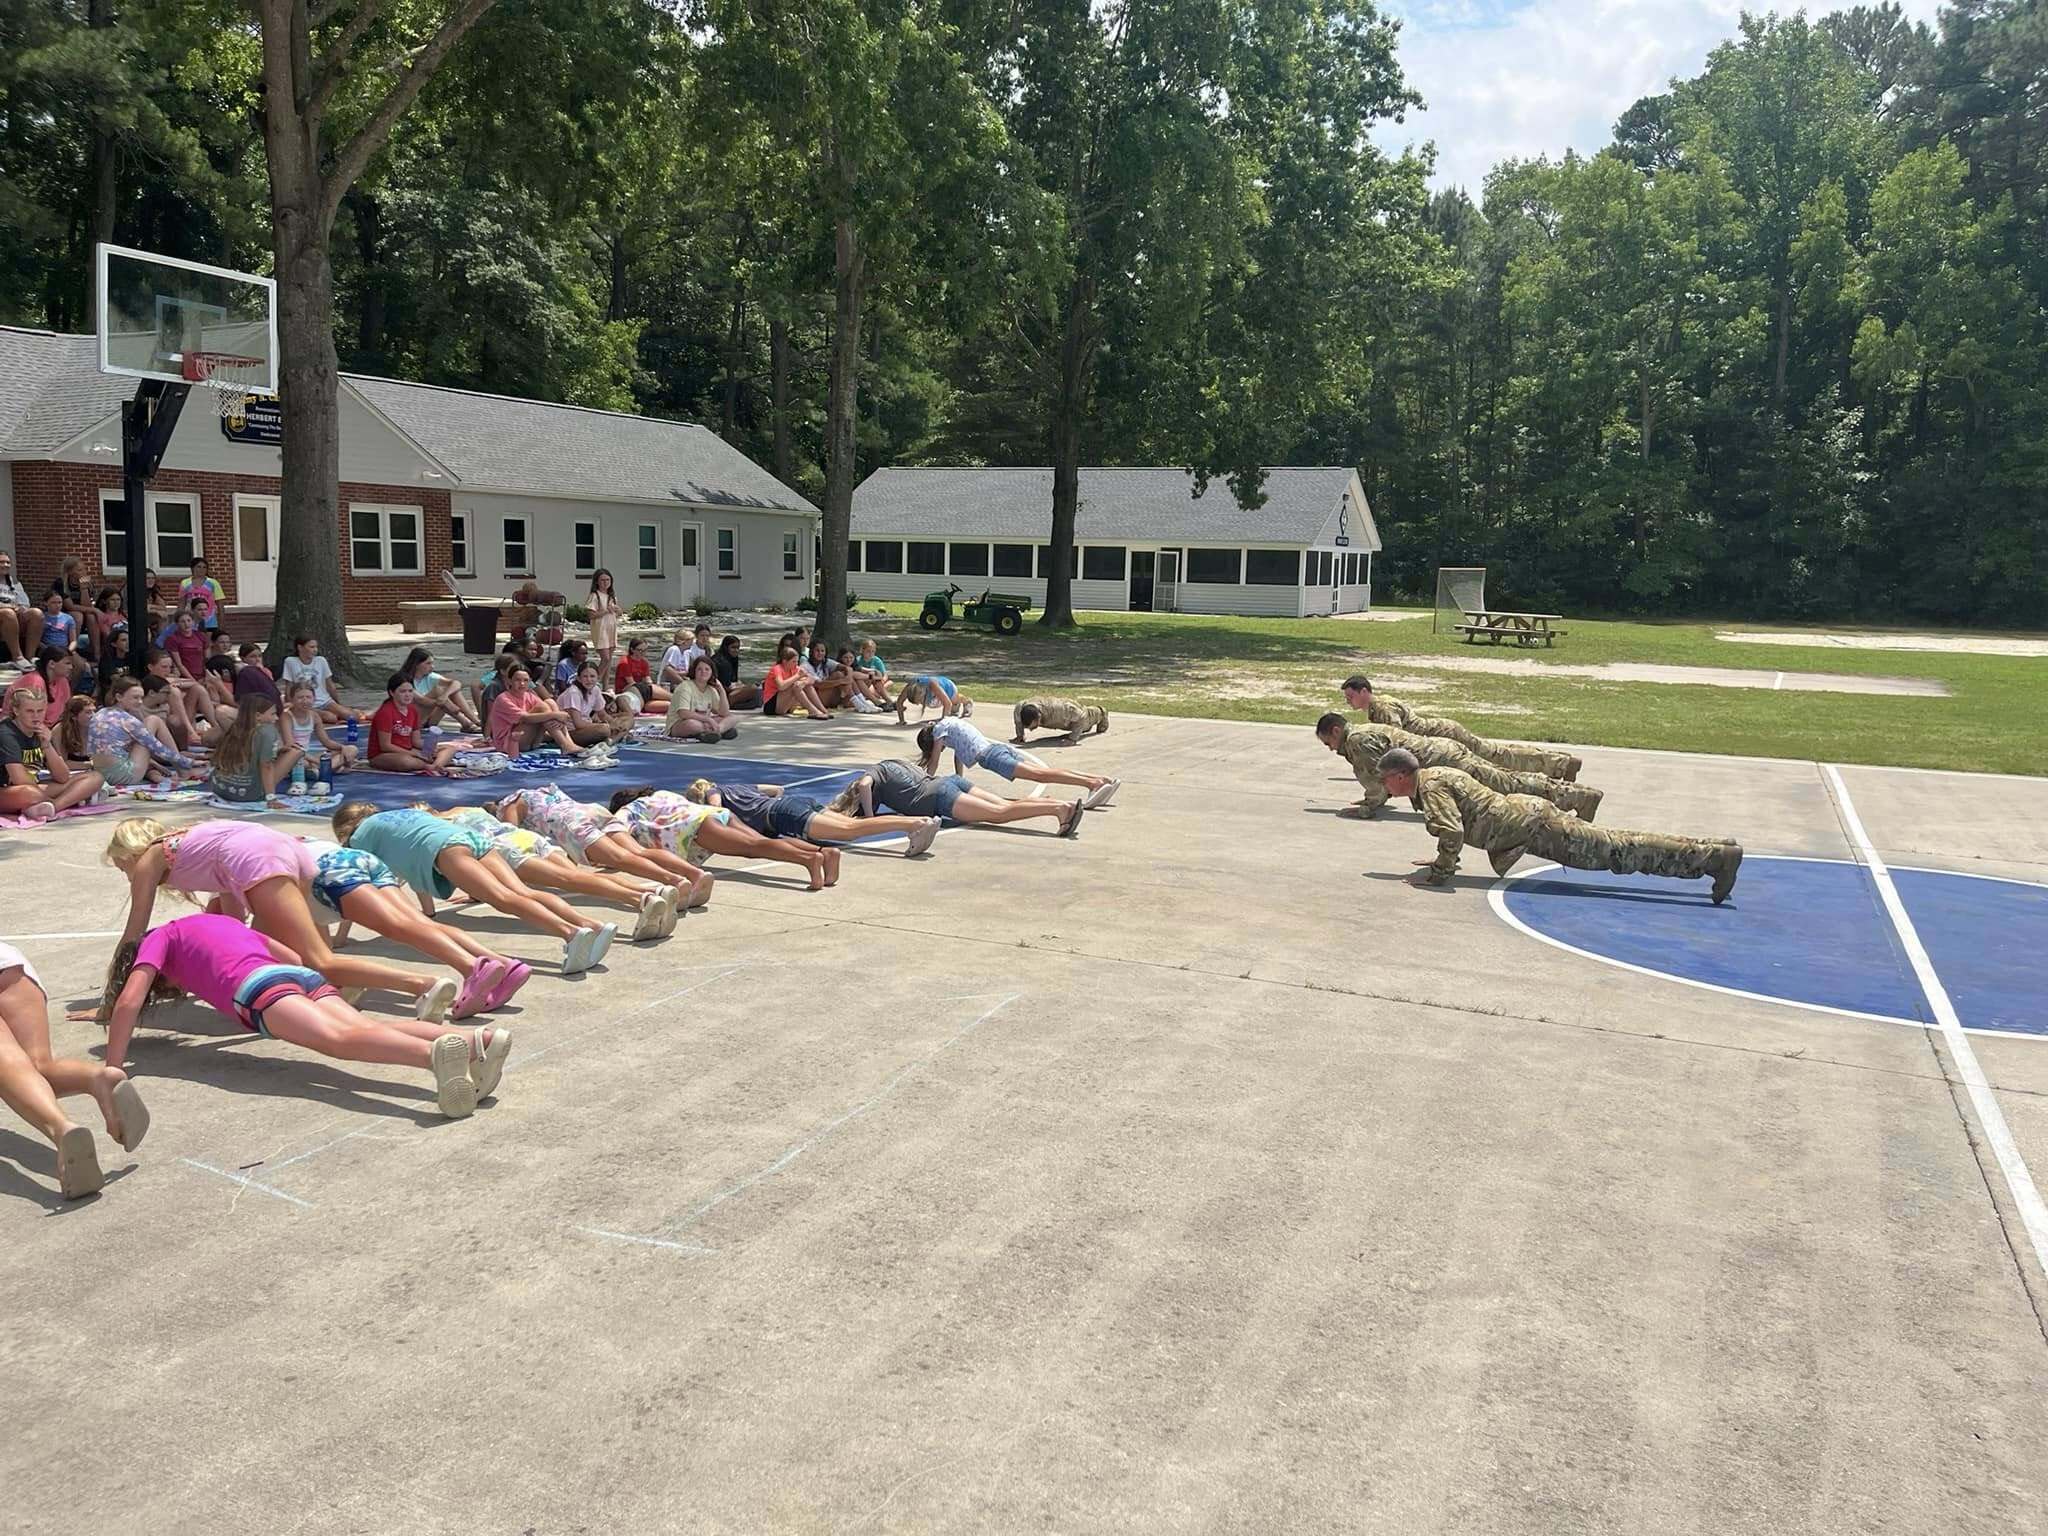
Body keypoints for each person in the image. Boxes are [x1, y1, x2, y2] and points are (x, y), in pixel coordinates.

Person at [99, 915, 498, 1120]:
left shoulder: (158, 938)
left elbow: (130, 1001)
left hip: (256, 988)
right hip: (298, 976)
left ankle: (432, 1058)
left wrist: (114, 1065)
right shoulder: (218, 922)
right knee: (365, 1029)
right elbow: (289, 956)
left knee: (338, 1042)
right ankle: (476, 1043)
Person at [106, 817, 460, 1018]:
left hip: (259, 861)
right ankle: (340, 986)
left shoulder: (151, 860)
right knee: (277, 955)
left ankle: (423, 985)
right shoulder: (187, 841)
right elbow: (233, 914)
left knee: (318, 959)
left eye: (122, 864)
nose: (125, 873)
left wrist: (114, 1001)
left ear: (130, 852)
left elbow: (134, 935)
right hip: (286, 850)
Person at [1374, 747, 1743, 902]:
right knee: (1617, 844)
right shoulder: (1433, 777)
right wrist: (1441, 859)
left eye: (1387, 780)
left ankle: (1712, 858)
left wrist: (1440, 873)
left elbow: (1452, 831)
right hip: (1529, 821)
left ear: (1403, 775)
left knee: (1618, 850)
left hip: (1535, 828)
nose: (1385, 787)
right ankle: (1712, 849)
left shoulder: (1431, 786)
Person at [332, 801, 617, 974]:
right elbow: (411, 861)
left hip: (445, 849)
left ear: (345, 829)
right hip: (470, 838)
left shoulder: (359, 839)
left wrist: (340, 938)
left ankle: (569, 933)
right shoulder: (393, 817)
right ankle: (590, 925)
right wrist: (428, 913)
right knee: (521, 892)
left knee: (501, 899)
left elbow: (357, 886)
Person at [305, 838, 530, 1017]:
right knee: (418, 924)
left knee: (396, 926)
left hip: (328, 870)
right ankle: (504, 964)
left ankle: (472, 968)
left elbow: (312, 943)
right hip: (356, 860)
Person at [1, 941, 148, 1199]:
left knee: (9, 1067)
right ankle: (96, 1078)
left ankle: (61, 1128)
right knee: (37, 1070)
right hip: (9, 963)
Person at [427, 805, 678, 941]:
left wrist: (476, 892)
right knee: (580, 876)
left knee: (566, 882)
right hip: (524, 837)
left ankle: (640, 899)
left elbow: (467, 860)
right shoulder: (466, 808)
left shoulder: (436, 827)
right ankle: (650, 890)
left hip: (505, 849)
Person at [1314, 713, 1601, 821]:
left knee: (1507, 785)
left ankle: (1578, 796)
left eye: (1328, 741)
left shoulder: (1358, 743)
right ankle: (1572, 790)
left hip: (1446, 761)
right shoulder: (1362, 732)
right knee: (1506, 779)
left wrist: (1365, 809)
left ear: (1336, 730)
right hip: (1446, 753)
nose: (1330, 748)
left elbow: (1376, 784)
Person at [494, 784, 713, 910]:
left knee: (619, 858)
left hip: (570, 823)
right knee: (637, 851)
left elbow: (511, 837)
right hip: (590, 811)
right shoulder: (538, 793)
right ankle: (694, 873)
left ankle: (674, 880)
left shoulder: (507, 805)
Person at [1342, 675, 1580, 782]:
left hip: (1443, 737)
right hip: (1443, 734)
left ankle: (1560, 764)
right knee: (1496, 754)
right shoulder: (1379, 705)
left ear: (1365, 691)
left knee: (1496, 758)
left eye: (1351, 696)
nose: (1349, 702)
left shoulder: (1381, 709)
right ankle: (1560, 763)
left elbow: (1396, 744)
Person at [607, 785, 833, 889]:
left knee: (755, 848)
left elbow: (615, 828)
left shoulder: (630, 812)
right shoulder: (661, 795)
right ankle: (822, 852)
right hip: (715, 814)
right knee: (761, 842)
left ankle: (808, 860)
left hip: (696, 829)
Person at [686, 777, 939, 857]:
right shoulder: (737, 788)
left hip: (783, 816)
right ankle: (918, 821)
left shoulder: (714, 793)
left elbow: (717, 811)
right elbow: (777, 789)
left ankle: (914, 824)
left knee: (850, 830)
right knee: (853, 824)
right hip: (791, 803)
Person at [837, 760, 1082, 838]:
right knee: (1005, 806)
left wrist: (868, 818)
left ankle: (1059, 809)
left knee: (998, 815)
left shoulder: (872, 774)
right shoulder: (893, 764)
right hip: (949, 782)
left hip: (940, 797)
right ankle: (1057, 805)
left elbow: (864, 785)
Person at [919, 717, 1119, 806]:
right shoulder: (949, 724)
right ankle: (1101, 780)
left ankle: (1092, 784)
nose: (941, 747)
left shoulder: (938, 732)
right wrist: (959, 781)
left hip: (993, 757)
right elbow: (958, 754)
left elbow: (935, 760)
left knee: (1041, 776)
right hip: (997, 749)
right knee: (1043, 772)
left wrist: (926, 782)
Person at [0, 682, 103, 818]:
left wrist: (47, 745)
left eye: (40, 711)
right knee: (30, 793)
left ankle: (52, 807)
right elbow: (20, 780)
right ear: (16, 710)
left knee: (95, 777)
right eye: (30, 711)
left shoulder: (40, 730)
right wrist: (69, 792)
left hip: (34, 787)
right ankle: (69, 799)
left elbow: (62, 776)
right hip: (11, 790)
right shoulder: (6, 733)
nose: (36, 717)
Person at [88, 677, 202, 786]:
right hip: (123, 775)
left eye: (141, 698)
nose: (140, 702)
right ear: (119, 697)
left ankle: (172, 770)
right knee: (153, 720)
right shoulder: (128, 720)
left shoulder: (101, 712)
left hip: (101, 774)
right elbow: (157, 748)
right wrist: (188, 762)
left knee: (143, 733)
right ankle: (182, 770)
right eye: (135, 698)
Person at [208, 694, 303, 803]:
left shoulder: (235, 728)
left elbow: (249, 755)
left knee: (282, 753)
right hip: (247, 794)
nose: (276, 718)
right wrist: (271, 798)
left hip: (219, 788)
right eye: (272, 714)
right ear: (258, 716)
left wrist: (277, 752)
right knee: (296, 752)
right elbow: (266, 765)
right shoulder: (267, 731)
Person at [486, 663, 586, 757]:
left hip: (532, 742)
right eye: (517, 680)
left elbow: (547, 709)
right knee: (545, 711)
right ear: (509, 681)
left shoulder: (530, 695)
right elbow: (524, 718)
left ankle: (569, 743)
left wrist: (558, 716)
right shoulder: (503, 698)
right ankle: (566, 745)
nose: (521, 683)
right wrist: (555, 715)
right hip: (510, 743)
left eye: (525, 680)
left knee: (549, 704)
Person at [369, 673, 462, 773]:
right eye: (403, 691)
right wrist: (412, 754)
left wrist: (430, 748)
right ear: (392, 693)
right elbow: (386, 746)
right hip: (384, 754)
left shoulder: (412, 710)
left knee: (449, 749)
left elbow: (416, 741)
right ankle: (432, 765)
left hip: (409, 750)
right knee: (405, 762)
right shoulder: (385, 712)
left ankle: (434, 765)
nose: (407, 695)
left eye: (410, 691)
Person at [284, 679, 357, 778]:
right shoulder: (286, 717)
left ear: (314, 699)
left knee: (352, 749)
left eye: (308, 697)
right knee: (301, 763)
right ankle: (328, 768)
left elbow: (326, 741)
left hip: (307, 754)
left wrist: (343, 748)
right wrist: (316, 761)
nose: (305, 701)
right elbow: (291, 746)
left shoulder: (314, 716)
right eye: (300, 698)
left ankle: (319, 770)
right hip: (290, 755)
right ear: (292, 699)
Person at [400, 646, 481, 732]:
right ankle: (466, 723)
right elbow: (422, 700)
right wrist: (448, 704)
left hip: (430, 719)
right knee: (438, 691)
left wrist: (445, 696)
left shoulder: (429, 676)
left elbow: (456, 683)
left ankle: (475, 721)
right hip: (412, 721)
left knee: (450, 690)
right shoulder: (404, 680)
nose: (432, 667)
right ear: (416, 664)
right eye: (428, 663)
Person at [279, 634, 353, 725]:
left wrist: (338, 704)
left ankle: (343, 713)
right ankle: (322, 715)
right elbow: (289, 686)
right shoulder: (290, 661)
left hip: (325, 701)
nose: (315, 650)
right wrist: (291, 704)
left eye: (316, 647)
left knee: (351, 716)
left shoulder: (321, 661)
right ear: (300, 647)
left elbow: (330, 685)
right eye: (311, 647)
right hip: (306, 703)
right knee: (331, 718)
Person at [557, 660, 631, 746]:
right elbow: (578, 724)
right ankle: (614, 738)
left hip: (588, 725)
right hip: (571, 731)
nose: (589, 680)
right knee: (604, 730)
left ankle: (611, 739)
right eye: (585, 676)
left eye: (592, 676)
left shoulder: (595, 689)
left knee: (628, 718)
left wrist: (615, 724)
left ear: (597, 677)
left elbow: (602, 715)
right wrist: (608, 726)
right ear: (579, 678)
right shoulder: (573, 693)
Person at [666, 656, 737, 743]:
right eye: (699, 669)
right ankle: (719, 731)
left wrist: (721, 690)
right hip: (681, 723)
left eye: (707, 669)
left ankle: (717, 731)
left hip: (703, 723)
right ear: (694, 671)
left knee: (732, 718)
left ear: (712, 672)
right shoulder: (685, 686)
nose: (703, 672)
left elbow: (724, 713)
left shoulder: (711, 689)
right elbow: (683, 713)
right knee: (692, 724)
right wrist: (708, 720)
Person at [761, 643, 832, 719]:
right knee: (794, 686)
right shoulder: (777, 669)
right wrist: (797, 677)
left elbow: (812, 680)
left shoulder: (795, 669)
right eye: (793, 662)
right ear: (785, 661)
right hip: (772, 706)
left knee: (806, 685)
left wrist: (804, 682)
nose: (796, 664)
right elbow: (781, 686)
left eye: (797, 662)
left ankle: (823, 710)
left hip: (785, 704)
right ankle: (813, 711)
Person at [0, 550, 43, 665]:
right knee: (9, 613)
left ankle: (30, 657)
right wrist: (9, 607)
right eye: (2, 562)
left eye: (8, 562)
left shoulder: (13, 583)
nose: (5, 565)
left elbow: (25, 603)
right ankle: (17, 657)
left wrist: (21, 608)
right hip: (5, 616)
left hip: (14, 617)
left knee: (36, 613)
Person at [1012, 697, 1109, 746]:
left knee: (1086, 722)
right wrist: (1020, 735)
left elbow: (1081, 717)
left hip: (1075, 714)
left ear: (1039, 716)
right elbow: (1018, 721)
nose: (1031, 730)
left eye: (1033, 726)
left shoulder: (1060, 709)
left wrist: (1072, 739)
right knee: (1081, 728)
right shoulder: (1020, 708)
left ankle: (1102, 712)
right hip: (1062, 720)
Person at [893, 673, 970, 724]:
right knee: (934, 703)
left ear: (921, 693)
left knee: (954, 704)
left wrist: (943, 722)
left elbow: (947, 703)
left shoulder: (932, 684)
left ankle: (966, 701)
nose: (919, 703)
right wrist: (901, 720)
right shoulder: (910, 688)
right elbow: (899, 702)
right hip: (932, 695)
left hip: (948, 687)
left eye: (920, 700)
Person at [614, 636, 666, 710]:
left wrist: (649, 682)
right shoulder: (625, 662)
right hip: (628, 691)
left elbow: (647, 678)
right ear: (632, 649)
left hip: (641, 692)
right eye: (640, 650)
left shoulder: (644, 662)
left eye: (645, 650)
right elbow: (632, 683)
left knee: (669, 704)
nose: (643, 653)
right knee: (646, 688)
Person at [586, 569, 621, 678]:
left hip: (611, 629)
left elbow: (618, 613)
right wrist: (606, 610)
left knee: (609, 660)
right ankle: (594, 681)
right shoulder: (595, 595)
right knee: (605, 658)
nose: (605, 582)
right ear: (597, 582)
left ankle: (605, 687)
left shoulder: (612, 596)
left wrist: (617, 610)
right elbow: (591, 615)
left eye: (608, 580)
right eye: (602, 580)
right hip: (601, 630)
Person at [712, 633, 759, 709]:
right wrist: (741, 687)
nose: (736, 650)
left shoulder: (732, 658)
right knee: (754, 689)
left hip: (727, 691)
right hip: (719, 694)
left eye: (738, 648)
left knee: (753, 688)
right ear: (726, 648)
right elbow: (724, 686)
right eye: (733, 647)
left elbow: (733, 680)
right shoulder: (721, 662)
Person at [178, 556, 224, 631]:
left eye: (204, 567)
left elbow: (220, 604)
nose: (202, 569)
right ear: (193, 568)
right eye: (199, 567)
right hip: (190, 620)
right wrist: (179, 619)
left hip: (210, 620)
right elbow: (182, 603)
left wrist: (221, 623)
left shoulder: (213, 583)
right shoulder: (185, 583)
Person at [233, 641, 283, 709]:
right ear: (243, 658)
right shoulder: (243, 671)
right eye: (252, 657)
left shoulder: (265, 671)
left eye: (259, 656)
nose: (257, 659)